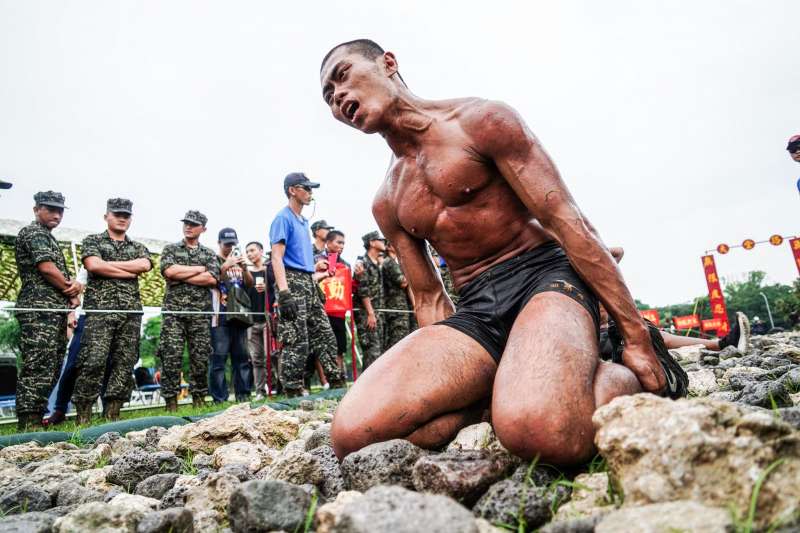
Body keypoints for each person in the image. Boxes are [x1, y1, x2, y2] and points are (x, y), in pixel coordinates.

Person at [320, 39, 686, 465]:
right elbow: (430, 298)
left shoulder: (482, 121)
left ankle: (609, 364)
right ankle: (517, 383)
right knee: (354, 434)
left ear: (388, 63)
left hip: (546, 280)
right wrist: (451, 382)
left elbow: (567, 222)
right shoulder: (387, 199)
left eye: (342, 76)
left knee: (540, 432)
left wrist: (637, 337)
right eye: (328, 96)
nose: (338, 97)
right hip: (477, 310)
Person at [72, 198, 153, 423]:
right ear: (106, 216)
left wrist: (108, 266)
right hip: (100, 311)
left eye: (126, 215)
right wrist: (128, 270)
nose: (121, 218)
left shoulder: (137, 247)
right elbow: (93, 265)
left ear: (130, 219)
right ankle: (84, 415)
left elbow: (144, 265)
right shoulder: (93, 241)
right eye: (117, 213)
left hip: (130, 313)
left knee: (124, 362)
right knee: (93, 361)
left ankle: (112, 414)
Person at [269, 172, 346, 397]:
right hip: (291, 282)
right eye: (306, 188)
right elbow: (276, 257)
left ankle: (337, 385)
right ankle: (292, 391)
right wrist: (284, 293)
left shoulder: (303, 221)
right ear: (293, 190)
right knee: (296, 339)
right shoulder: (283, 218)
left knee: (325, 335)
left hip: (307, 282)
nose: (310, 193)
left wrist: (315, 267)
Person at [13, 191, 82, 430]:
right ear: (36, 210)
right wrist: (71, 290)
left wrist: (70, 294)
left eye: (60, 210)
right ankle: (29, 421)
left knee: (52, 366)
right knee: (38, 364)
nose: (56, 214)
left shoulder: (48, 237)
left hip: (53, 312)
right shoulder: (33, 233)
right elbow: (46, 268)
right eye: (50, 209)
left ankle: (37, 417)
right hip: (38, 311)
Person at [157, 210, 219, 411]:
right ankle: (171, 403)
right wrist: (199, 269)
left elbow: (212, 279)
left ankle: (199, 401)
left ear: (203, 229)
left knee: (200, 358)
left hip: (200, 315)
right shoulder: (171, 249)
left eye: (193, 224)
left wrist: (180, 275)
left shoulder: (209, 253)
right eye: (186, 223)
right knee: (171, 356)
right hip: (174, 314)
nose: (188, 226)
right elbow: (169, 271)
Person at [209, 227, 254, 403]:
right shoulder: (213, 259)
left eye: (232, 244)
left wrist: (244, 267)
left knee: (242, 358)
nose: (230, 247)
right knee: (218, 358)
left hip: (240, 315)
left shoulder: (239, 261)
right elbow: (212, 279)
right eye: (226, 244)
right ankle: (219, 398)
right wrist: (226, 265)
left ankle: (243, 396)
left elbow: (249, 284)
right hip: (220, 315)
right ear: (219, 243)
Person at [315, 229, 351, 374]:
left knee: (339, 347)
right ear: (328, 242)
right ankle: (325, 382)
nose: (342, 246)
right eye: (339, 242)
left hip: (338, 311)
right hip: (319, 310)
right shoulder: (315, 260)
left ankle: (339, 377)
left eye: (343, 243)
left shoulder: (346, 264)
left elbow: (350, 286)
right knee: (320, 347)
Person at [245, 241, 278, 398]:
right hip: (252, 321)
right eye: (247, 252)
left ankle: (279, 386)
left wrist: (268, 289)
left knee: (272, 355)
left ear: (261, 250)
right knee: (256, 358)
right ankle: (260, 391)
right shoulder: (247, 273)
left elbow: (278, 289)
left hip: (268, 318)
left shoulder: (270, 269)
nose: (250, 254)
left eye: (252, 250)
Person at [354, 231, 385, 369]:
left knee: (380, 351)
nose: (384, 242)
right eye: (380, 240)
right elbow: (363, 290)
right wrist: (371, 314)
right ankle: (366, 387)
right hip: (366, 313)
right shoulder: (363, 263)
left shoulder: (376, 263)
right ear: (372, 242)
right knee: (372, 352)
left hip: (376, 312)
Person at [382, 240, 416, 349]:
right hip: (395, 307)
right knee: (397, 341)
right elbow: (403, 282)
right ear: (388, 247)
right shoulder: (389, 262)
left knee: (406, 338)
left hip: (402, 306)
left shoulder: (396, 262)